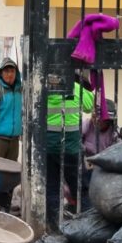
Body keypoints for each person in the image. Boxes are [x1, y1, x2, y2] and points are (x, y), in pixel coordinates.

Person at [46, 79, 94, 229]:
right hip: (70, 147)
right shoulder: (76, 88)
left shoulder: (44, 88)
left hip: (49, 146)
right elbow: (89, 105)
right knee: (80, 188)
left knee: (52, 187)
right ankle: (88, 224)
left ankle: (54, 226)